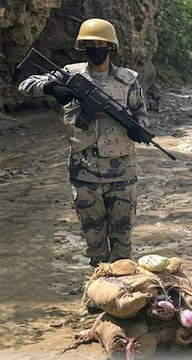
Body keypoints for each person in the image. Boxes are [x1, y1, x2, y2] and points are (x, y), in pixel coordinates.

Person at [19, 18, 148, 266]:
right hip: (84, 173)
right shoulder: (69, 74)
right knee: (95, 244)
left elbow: (140, 112)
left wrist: (139, 129)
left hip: (122, 174)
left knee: (122, 244)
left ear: (110, 47)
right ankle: (99, 293)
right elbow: (26, 84)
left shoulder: (127, 80)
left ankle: (121, 297)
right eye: (90, 44)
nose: (96, 49)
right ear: (83, 47)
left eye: (101, 44)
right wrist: (50, 88)